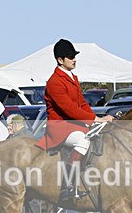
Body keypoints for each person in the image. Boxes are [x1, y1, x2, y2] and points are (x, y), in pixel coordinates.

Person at [41, 38, 113, 200]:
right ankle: (67, 185)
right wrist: (94, 119)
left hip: (72, 125)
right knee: (83, 141)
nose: (74, 59)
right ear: (60, 60)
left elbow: (82, 104)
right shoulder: (54, 82)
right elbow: (69, 109)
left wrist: (97, 119)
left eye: (74, 56)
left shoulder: (72, 77)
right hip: (59, 127)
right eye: (70, 57)